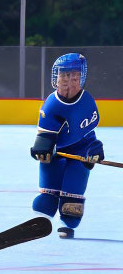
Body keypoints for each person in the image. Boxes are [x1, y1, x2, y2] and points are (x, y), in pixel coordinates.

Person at [30, 53, 103, 238]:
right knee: (46, 198)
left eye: (73, 76)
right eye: (64, 75)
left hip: (80, 150)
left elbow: (88, 135)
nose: (67, 81)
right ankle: (43, 218)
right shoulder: (51, 104)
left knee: (72, 199)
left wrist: (93, 150)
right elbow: (45, 135)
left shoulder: (87, 101)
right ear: (56, 77)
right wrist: (43, 147)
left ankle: (67, 223)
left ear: (81, 78)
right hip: (56, 152)